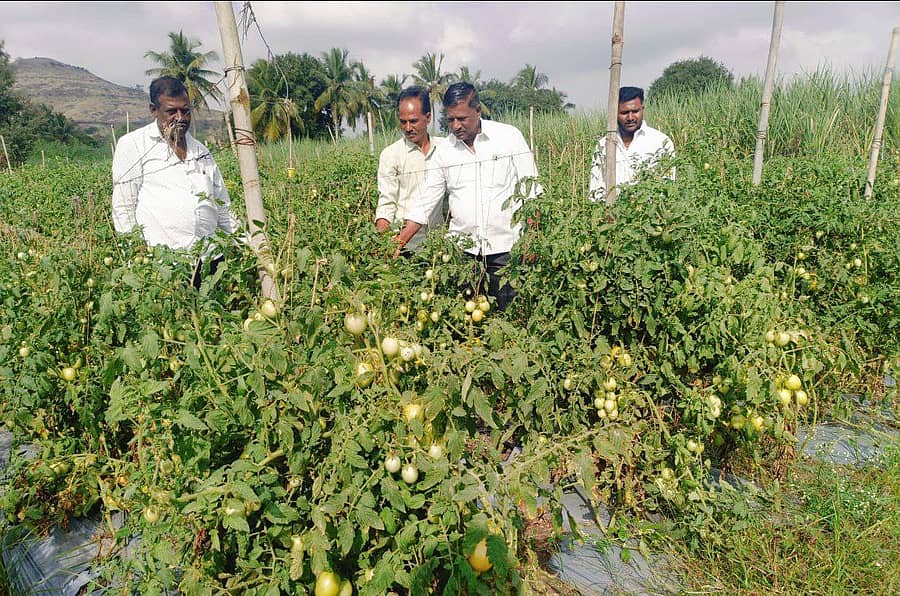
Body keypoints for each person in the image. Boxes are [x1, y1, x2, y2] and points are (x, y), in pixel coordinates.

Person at [393, 82, 541, 310]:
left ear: (478, 111)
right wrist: (399, 242)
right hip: (463, 254)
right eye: (450, 119)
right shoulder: (445, 152)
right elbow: (425, 202)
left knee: (507, 317)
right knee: (466, 322)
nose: (456, 126)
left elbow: (531, 191)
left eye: (462, 118)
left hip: (505, 250)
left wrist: (532, 239)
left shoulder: (509, 137)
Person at [111, 76, 241, 287]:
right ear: (154, 110)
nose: (180, 118)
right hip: (166, 268)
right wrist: (137, 264)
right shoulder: (133, 145)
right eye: (171, 111)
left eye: (185, 110)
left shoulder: (201, 151)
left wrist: (252, 248)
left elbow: (224, 209)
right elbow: (123, 210)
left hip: (210, 263)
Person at [374, 86, 447, 253]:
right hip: (404, 246)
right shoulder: (391, 155)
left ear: (428, 118)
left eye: (413, 121)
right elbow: (387, 203)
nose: (407, 128)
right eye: (403, 121)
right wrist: (384, 244)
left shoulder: (445, 149)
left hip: (439, 246)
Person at [588, 86, 675, 201]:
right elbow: (595, 188)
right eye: (624, 113)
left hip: (650, 215)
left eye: (635, 111)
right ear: (615, 113)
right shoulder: (604, 145)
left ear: (642, 109)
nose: (630, 117)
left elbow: (667, 185)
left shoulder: (660, 142)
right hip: (612, 215)